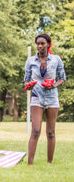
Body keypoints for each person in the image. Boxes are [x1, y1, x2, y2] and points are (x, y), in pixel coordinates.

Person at [24, 33, 66, 165]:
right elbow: (26, 80)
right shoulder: (30, 61)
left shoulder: (56, 59)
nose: (40, 46)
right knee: (35, 130)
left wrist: (54, 85)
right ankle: (30, 163)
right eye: (38, 44)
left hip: (52, 97)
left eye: (42, 43)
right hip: (37, 97)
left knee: (51, 133)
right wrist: (28, 85)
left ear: (48, 44)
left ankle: (49, 163)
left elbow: (62, 78)